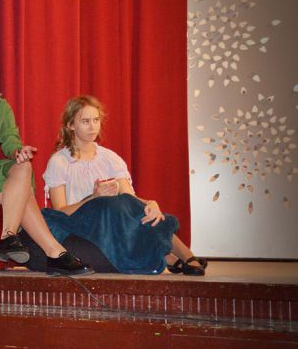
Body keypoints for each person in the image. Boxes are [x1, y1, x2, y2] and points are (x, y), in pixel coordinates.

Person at [0, 48, 93, 276]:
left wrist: (18, 152)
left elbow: (10, 140)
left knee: (23, 166)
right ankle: (54, 253)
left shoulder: (1, 107)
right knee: (24, 193)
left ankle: (10, 237)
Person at [42, 95, 207, 275]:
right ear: (71, 125)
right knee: (109, 204)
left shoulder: (109, 158)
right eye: (85, 121)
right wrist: (94, 198)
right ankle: (170, 256)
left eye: (96, 120)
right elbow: (60, 212)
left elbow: (130, 200)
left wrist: (150, 204)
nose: (93, 127)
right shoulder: (59, 161)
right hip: (81, 223)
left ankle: (184, 256)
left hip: (115, 219)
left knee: (135, 208)